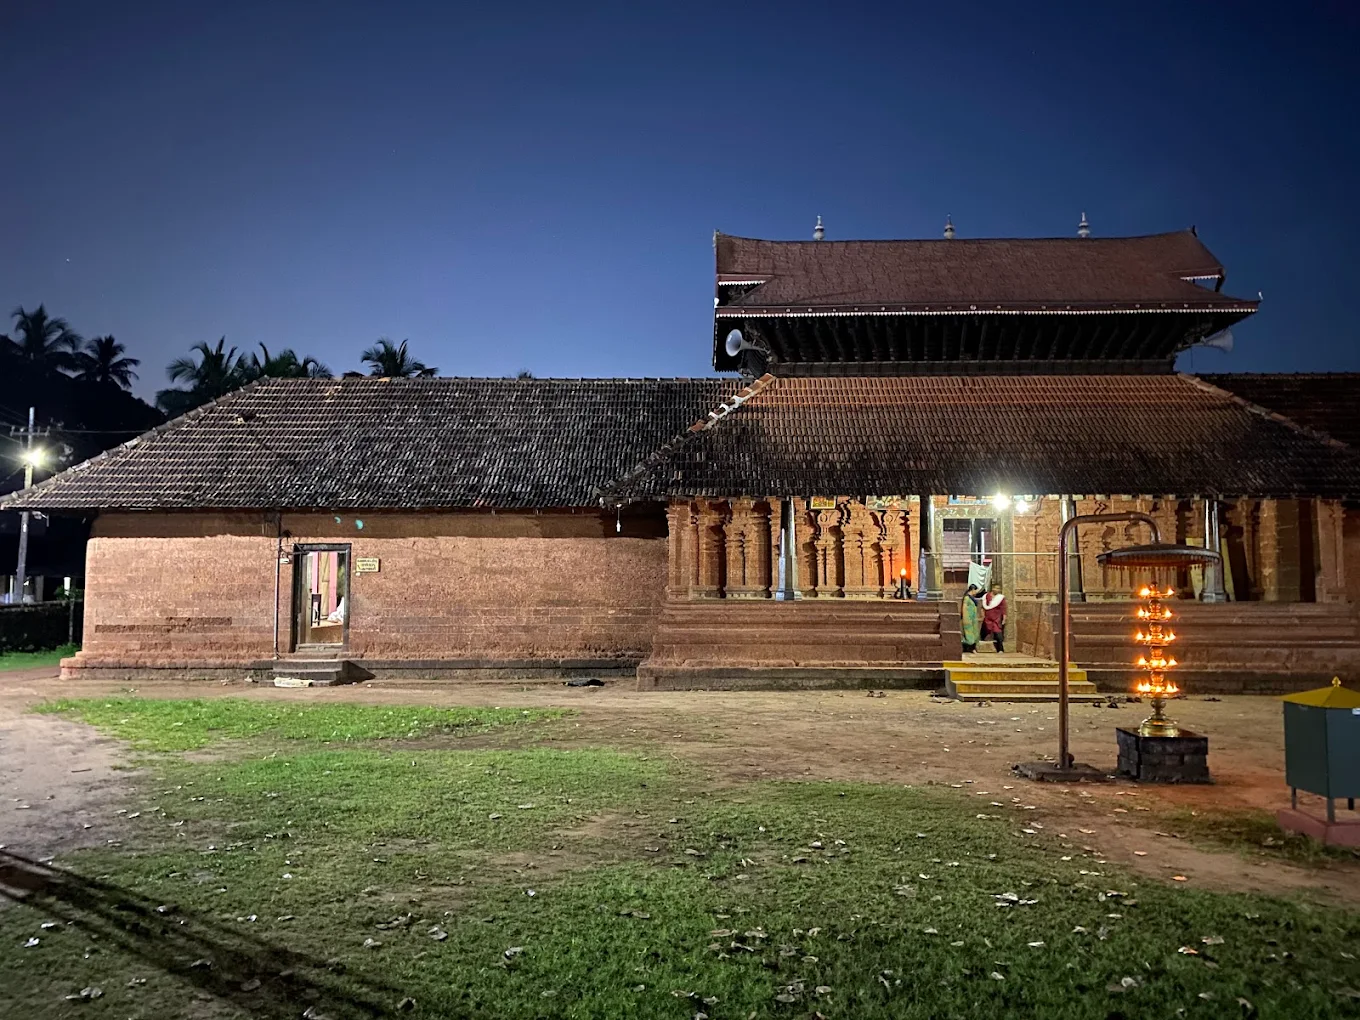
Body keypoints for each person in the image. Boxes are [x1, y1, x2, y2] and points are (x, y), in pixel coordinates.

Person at [980, 582, 1007, 653]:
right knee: (984, 631)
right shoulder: (986, 596)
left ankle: (1000, 649)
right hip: (987, 618)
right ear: (993, 588)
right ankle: (978, 646)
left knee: (998, 633)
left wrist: (1004, 618)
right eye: (996, 588)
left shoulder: (1000, 598)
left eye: (999, 589)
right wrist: (982, 615)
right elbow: (983, 607)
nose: (998, 590)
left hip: (996, 618)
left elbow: (1004, 609)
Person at [960, 583, 982, 653]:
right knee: (969, 635)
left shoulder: (972, 598)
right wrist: (965, 618)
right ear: (972, 590)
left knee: (974, 633)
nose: (976, 593)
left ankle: (973, 648)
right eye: (975, 591)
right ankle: (969, 648)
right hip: (968, 619)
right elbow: (964, 608)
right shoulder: (967, 598)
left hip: (973, 619)